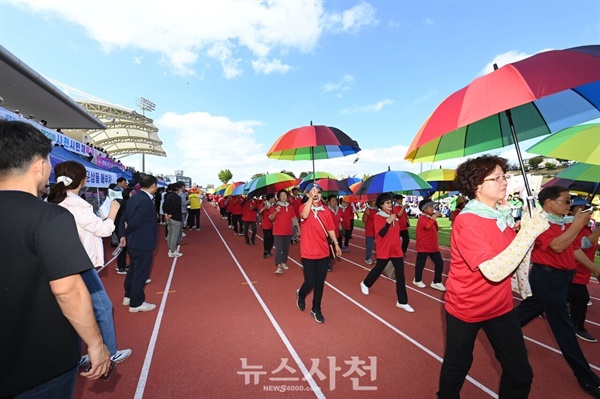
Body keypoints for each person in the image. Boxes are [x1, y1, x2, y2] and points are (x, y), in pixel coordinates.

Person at [0, 120, 110, 398]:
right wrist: (96, 344)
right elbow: (68, 289)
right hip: (39, 362)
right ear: (39, 165)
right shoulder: (50, 216)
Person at [438, 155, 549, 399]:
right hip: (466, 307)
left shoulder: (501, 215)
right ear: (476, 185)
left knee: (520, 373)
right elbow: (495, 271)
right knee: (458, 365)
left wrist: (522, 228)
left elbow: (511, 256)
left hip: (500, 307)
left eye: (504, 176)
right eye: (496, 178)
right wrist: (526, 235)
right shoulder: (468, 221)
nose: (504, 182)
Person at [516, 186, 600, 397]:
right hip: (548, 278)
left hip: (561, 278)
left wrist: (595, 270)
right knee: (565, 330)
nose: (569, 205)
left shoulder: (562, 223)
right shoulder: (540, 223)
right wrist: (577, 224)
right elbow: (558, 246)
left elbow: (578, 246)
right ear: (549, 202)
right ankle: (587, 379)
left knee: (526, 311)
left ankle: (501, 330)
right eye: (566, 201)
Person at [47, 160, 133, 366]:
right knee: (102, 307)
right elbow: (103, 230)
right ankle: (109, 352)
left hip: (61, 262)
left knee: (71, 310)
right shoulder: (75, 204)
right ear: (83, 180)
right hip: (79, 264)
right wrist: (113, 211)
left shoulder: (53, 200)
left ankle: (75, 355)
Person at [359, 193, 414, 313]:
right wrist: (388, 222)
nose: (390, 204)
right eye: (387, 203)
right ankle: (365, 283)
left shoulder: (394, 216)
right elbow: (381, 234)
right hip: (384, 249)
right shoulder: (379, 217)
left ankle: (402, 301)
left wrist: (393, 219)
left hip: (396, 250)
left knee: (400, 276)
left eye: (391, 202)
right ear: (381, 205)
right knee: (378, 269)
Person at [296, 184, 341, 323]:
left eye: (319, 192)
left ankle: (316, 309)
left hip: (323, 251)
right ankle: (301, 294)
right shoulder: (303, 207)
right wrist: (310, 199)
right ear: (308, 193)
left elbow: (331, 228)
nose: (317, 194)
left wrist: (336, 243)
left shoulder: (325, 210)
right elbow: (304, 215)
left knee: (320, 283)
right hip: (308, 251)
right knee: (310, 282)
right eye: (314, 192)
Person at [119, 174, 159, 313]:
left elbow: (124, 217)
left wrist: (123, 234)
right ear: (153, 185)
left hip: (134, 241)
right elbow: (135, 221)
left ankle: (128, 296)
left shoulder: (134, 197)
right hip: (143, 242)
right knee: (140, 273)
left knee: (133, 270)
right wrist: (127, 231)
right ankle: (136, 303)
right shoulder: (145, 201)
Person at [568, 197, 600, 343]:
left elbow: (592, 245)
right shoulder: (571, 226)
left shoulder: (586, 227)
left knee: (562, 297)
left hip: (582, 271)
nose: (589, 212)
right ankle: (577, 327)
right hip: (573, 271)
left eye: (589, 209)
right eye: (583, 209)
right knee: (581, 298)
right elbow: (583, 244)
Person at [413, 199, 446, 291]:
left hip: (432, 246)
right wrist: (434, 217)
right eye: (430, 207)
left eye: (432, 206)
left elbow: (435, 228)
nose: (432, 208)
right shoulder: (422, 218)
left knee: (440, 263)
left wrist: (434, 218)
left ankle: (436, 282)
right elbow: (427, 226)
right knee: (421, 264)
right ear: (424, 209)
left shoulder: (429, 218)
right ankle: (417, 279)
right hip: (424, 246)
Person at [270, 189, 299, 275]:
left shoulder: (290, 207)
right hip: (278, 232)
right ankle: (279, 266)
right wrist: (276, 212)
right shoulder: (275, 206)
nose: (283, 197)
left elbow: (293, 217)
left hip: (288, 231)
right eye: (282, 195)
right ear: (278, 197)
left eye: (285, 195)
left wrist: (298, 227)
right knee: (279, 249)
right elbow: (271, 218)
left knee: (286, 248)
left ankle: (283, 262)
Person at [115, 187, 134, 274]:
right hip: (122, 227)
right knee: (123, 246)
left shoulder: (122, 202)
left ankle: (121, 265)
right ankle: (121, 267)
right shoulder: (127, 203)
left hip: (119, 226)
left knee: (123, 246)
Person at [163, 183, 184, 257]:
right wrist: (171, 215)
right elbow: (177, 208)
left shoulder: (168, 196)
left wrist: (166, 214)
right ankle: (173, 250)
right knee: (174, 235)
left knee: (169, 234)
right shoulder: (178, 198)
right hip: (175, 218)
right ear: (177, 189)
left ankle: (170, 249)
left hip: (168, 218)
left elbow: (164, 205)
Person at [259, 193, 276, 258]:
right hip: (265, 224)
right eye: (273, 198)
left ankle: (269, 250)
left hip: (272, 224)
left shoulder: (274, 205)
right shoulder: (264, 204)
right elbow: (259, 212)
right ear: (270, 198)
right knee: (266, 238)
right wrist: (264, 208)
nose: (274, 199)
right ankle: (265, 251)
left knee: (271, 238)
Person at [362, 199, 377, 265]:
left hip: (376, 231)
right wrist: (366, 214)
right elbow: (364, 220)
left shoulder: (377, 210)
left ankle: (378, 258)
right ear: (370, 202)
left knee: (378, 246)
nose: (375, 202)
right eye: (374, 201)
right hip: (369, 231)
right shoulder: (367, 210)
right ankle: (368, 258)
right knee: (370, 246)